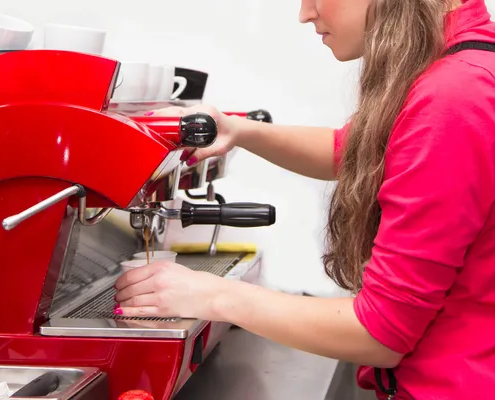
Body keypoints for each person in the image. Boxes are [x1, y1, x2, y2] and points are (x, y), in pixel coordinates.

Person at [115, 0, 495, 398]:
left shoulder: (454, 96)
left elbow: (380, 332)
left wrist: (211, 295)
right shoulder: (459, 61)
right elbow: (354, 150)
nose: (305, 13)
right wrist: (241, 132)